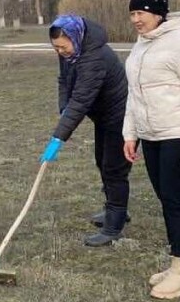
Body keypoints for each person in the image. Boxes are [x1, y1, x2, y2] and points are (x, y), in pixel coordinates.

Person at [122, 0, 180, 300]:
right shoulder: (141, 45)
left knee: (175, 201)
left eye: (140, 13)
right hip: (151, 136)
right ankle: (179, 262)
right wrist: (130, 134)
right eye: (132, 13)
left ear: (157, 13)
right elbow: (134, 94)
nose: (135, 19)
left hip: (177, 135)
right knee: (166, 199)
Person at [40, 14, 132, 246]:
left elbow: (80, 101)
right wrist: (64, 109)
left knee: (114, 168)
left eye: (63, 47)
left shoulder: (95, 58)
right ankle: (115, 209)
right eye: (56, 48)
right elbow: (64, 81)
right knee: (102, 161)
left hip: (121, 115)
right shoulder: (71, 52)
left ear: (75, 37)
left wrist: (58, 137)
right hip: (102, 115)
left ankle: (114, 226)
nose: (60, 52)